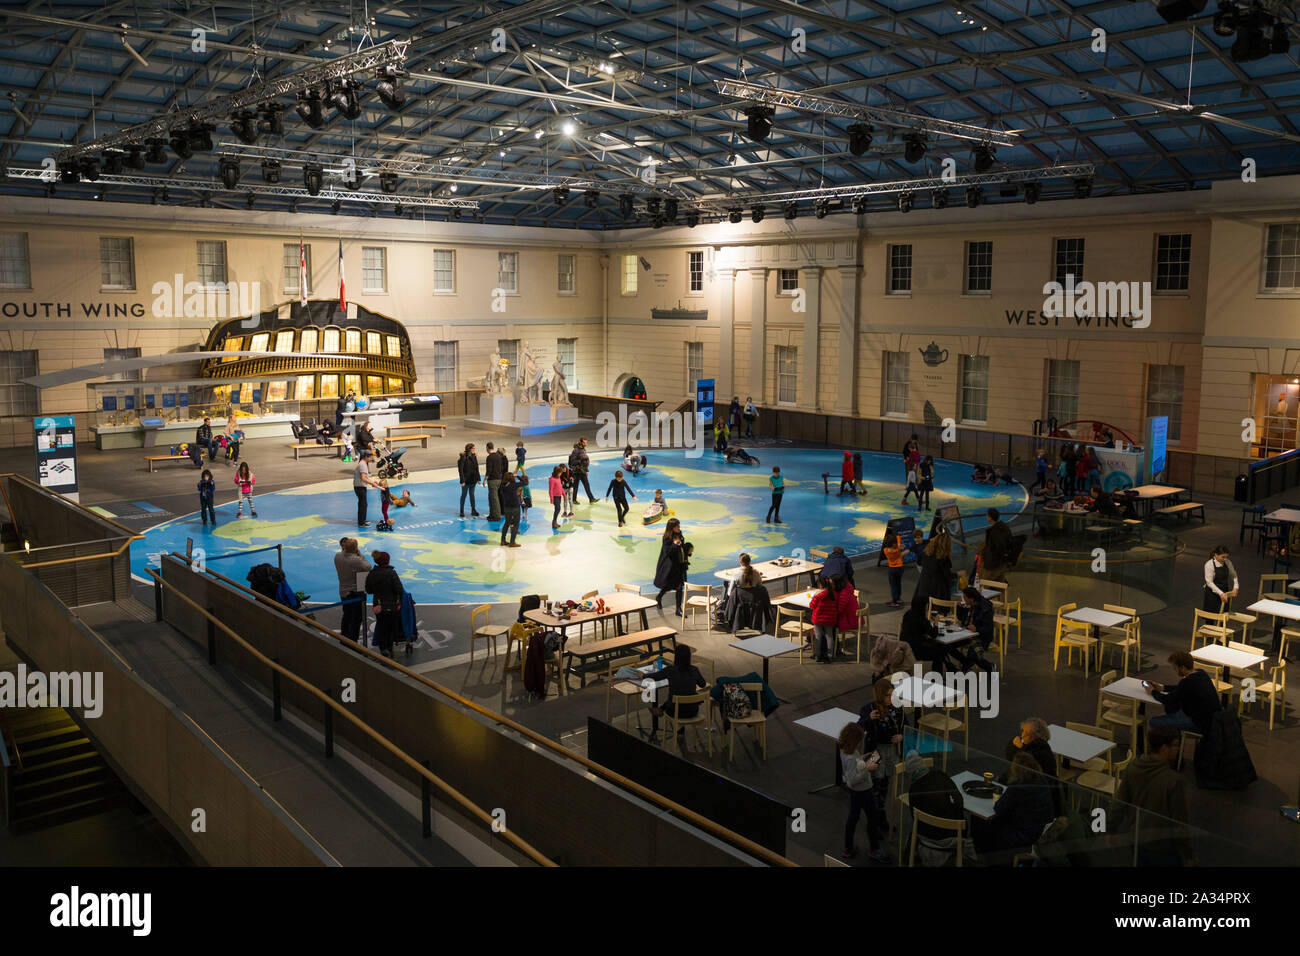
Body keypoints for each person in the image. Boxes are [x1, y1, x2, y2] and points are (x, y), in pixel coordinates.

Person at [1111, 726, 1193, 866]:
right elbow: (1179, 820)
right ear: (1163, 748)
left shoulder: (1133, 768)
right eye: (1175, 746)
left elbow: (1120, 802)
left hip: (1136, 838)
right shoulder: (1173, 781)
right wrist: (1189, 854)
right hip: (1162, 846)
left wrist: (1111, 829)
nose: (1177, 750)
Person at [975, 751, 1057, 862]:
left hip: (1023, 835)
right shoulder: (1042, 780)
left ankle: (980, 855)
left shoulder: (1018, 788)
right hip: (1041, 829)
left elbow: (998, 808)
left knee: (984, 821)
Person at [904, 751, 967, 865]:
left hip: (927, 839)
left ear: (910, 774)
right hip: (954, 835)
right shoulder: (940, 775)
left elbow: (915, 819)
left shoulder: (914, 789)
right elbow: (959, 800)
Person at [838, 722, 884, 861]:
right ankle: (874, 849)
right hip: (863, 791)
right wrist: (867, 768)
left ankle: (848, 848)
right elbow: (854, 778)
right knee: (872, 818)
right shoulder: (852, 757)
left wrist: (862, 760)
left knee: (853, 818)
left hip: (856, 792)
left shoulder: (846, 752)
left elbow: (852, 770)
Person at [1146, 650, 1221, 735]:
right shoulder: (1201, 673)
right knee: (1171, 708)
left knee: (1153, 721)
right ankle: (1175, 740)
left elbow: (1168, 699)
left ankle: (1170, 745)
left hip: (1200, 724)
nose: (1174, 670)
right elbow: (1181, 689)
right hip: (1214, 720)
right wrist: (1163, 688)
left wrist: (1152, 692)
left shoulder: (1187, 681)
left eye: (1175, 668)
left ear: (1182, 668)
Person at [648, 644, 708, 741]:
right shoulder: (694, 670)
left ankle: (661, 710)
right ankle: (679, 732)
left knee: (675, 698)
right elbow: (703, 684)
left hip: (674, 712)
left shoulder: (670, 670)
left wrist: (642, 675)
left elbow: (654, 676)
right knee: (682, 694)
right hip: (692, 711)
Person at [1007, 716, 1062, 815]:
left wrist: (1017, 749)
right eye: (1023, 731)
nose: (1022, 735)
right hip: (1048, 798)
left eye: (1026, 733)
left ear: (1036, 736)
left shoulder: (1034, 754)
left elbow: (1017, 764)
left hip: (1035, 802)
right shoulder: (1044, 748)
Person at [364, 550, 404, 658]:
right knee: (391, 627)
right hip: (392, 605)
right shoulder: (391, 573)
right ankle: (389, 648)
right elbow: (399, 589)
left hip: (378, 605)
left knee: (381, 626)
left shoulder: (372, 573)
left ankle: (383, 649)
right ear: (387, 561)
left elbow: (369, 590)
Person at [334, 538, 371, 643]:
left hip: (343, 590)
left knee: (346, 615)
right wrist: (360, 555)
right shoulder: (356, 560)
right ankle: (352, 641)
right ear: (356, 548)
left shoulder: (337, 556)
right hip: (355, 592)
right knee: (356, 618)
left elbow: (343, 554)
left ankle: (344, 638)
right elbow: (368, 566)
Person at [654, 518, 689, 616]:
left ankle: (678, 609)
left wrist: (687, 551)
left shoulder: (679, 535)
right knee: (668, 586)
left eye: (679, 526)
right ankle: (659, 597)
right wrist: (675, 544)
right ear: (672, 528)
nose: (679, 527)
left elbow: (681, 548)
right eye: (677, 526)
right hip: (670, 567)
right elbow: (668, 552)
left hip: (680, 565)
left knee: (679, 587)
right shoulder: (666, 538)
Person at [913, 529, 954, 604]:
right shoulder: (943, 558)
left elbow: (920, 564)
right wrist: (958, 574)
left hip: (923, 589)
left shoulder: (925, 553)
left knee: (928, 611)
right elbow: (947, 575)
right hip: (937, 592)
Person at [978, 508, 1014, 583]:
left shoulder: (994, 532)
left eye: (987, 515)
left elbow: (997, 548)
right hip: (1003, 563)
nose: (986, 517)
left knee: (985, 583)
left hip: (994, 564)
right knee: (999, 584)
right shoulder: (1004, 527)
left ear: (990, 517)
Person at [809, 575, 840, 664]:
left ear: (820, 585)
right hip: (830, 619)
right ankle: (830, 655)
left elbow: (811, 606)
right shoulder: (834, 594)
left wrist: (814, 597)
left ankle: (817, 655)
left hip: (818, 619)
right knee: (829, 636)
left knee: (818, 636)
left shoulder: (818, 596)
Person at [1202, 545, 1240, 613]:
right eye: (1223, 557)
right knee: (1210, 617)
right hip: (1212, 594)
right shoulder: (1209, 564)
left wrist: (1236, 586)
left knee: (1223, 616)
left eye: (1226, 557)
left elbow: (1233, 574)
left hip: (1224, 591)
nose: (1225, 559)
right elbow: (1209, 582)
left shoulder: (1227, 562)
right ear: (1216, 555)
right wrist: (1220, 593)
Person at [353, 450, 379, 526]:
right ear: (366, 457)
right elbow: (363, 478)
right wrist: (372, 483)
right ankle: (361, 522)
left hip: (360, 486)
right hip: (360, 487)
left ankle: (362, 520)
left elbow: (365, 477)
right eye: (371, 457)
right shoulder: (363, 465)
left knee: (362, 504)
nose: (372, 458)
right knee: (363, 504)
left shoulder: (363, 463)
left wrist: (372, 482)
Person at [485, 441, 507, 522]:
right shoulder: (498, 456)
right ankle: (492, 514)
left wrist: (485, 479)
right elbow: (501, 468)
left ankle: (496, 516)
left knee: (494, 498)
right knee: (492, 498)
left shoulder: (489, 457)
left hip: (493, 480)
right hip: (499, 479)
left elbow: (489, 470)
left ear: (487, 448)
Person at [498, 472, 522, 547]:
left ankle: (503, 540)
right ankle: (512, 542)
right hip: (515, 506)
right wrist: (517, 476)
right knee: (516, 524)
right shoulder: (514, 485)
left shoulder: (502, 486)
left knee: (506, 523)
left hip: (507, 507)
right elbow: (524, 482)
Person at [457, 443, 481, 518]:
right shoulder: (463, 458)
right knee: (464, 495)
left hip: (473, 480)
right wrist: (462, 481)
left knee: (472, 495)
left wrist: (478, 479)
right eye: (473, 448)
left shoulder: (474, 457)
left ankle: (473, 510)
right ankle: (461, 511)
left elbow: (477, 468)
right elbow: (460, 470)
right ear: (469, 449)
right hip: (466, 480)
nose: (474, 450)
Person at [882, 531, 905, 607]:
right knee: (898, 583)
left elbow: (894, 541)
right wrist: (898, 544)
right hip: (900, 567)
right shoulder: (898, 549)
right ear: (894, 543)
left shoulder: (885, 551)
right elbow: (898, 537)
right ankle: (898, 598)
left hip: (892, 569)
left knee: (893, 585)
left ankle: (894, 601)